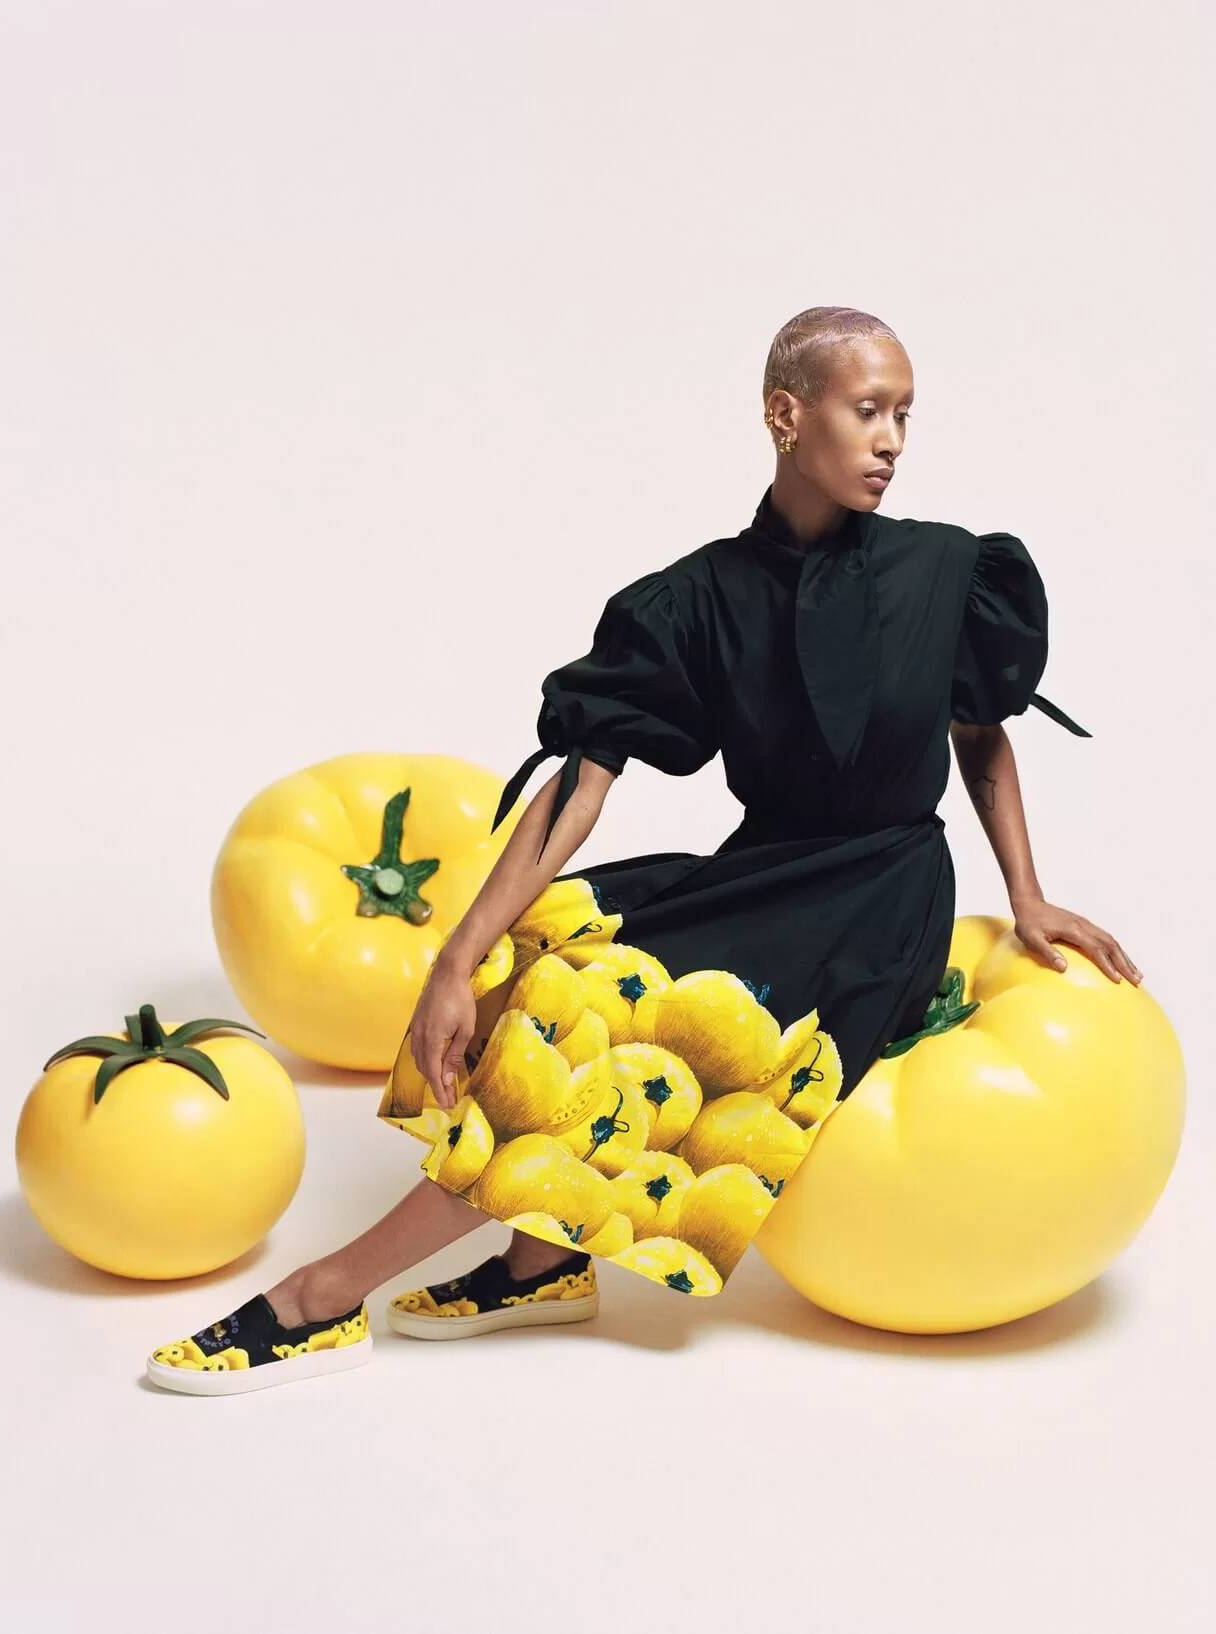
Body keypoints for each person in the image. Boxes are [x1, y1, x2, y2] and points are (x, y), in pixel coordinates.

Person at [145, 306, 1142, 1396]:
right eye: (869, 411)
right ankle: (541, 1264)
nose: (893, 439)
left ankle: (321, 1296)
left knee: (605, 1027)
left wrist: (1028, 895)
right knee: (538, 945)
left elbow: (979, 733)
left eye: (905, 414)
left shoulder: (949, 568)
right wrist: (454, 957)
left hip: (880, 902)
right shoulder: (697, 598)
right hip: (765, 874)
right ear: (785, 414)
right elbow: (581, 782)